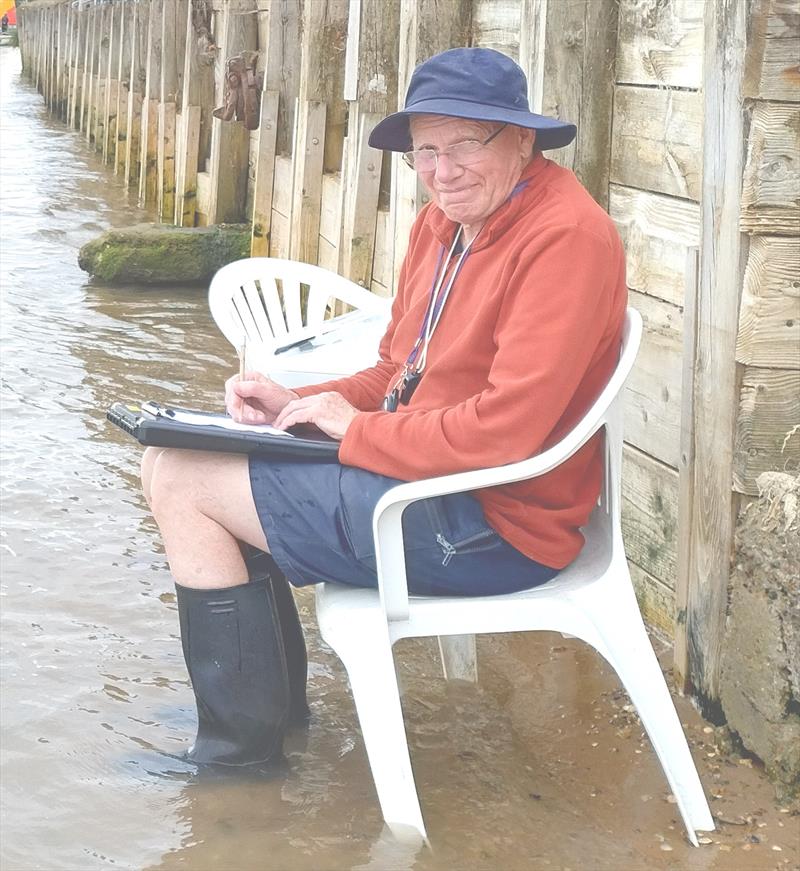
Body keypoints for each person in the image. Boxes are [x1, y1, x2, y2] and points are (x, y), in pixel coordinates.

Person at [140, 47, 628, 768]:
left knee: (184, 481)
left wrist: (357, 431)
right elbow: (399, 372)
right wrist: (299, 405)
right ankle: (269, 712)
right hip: (431, 484)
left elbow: (508, 433)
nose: (442, 170)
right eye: (425, 150)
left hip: (494, 523)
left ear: (522, 139)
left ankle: (237, 766)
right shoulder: (444, 224)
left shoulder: (565, 238)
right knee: (178, 452)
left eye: (466, 143)